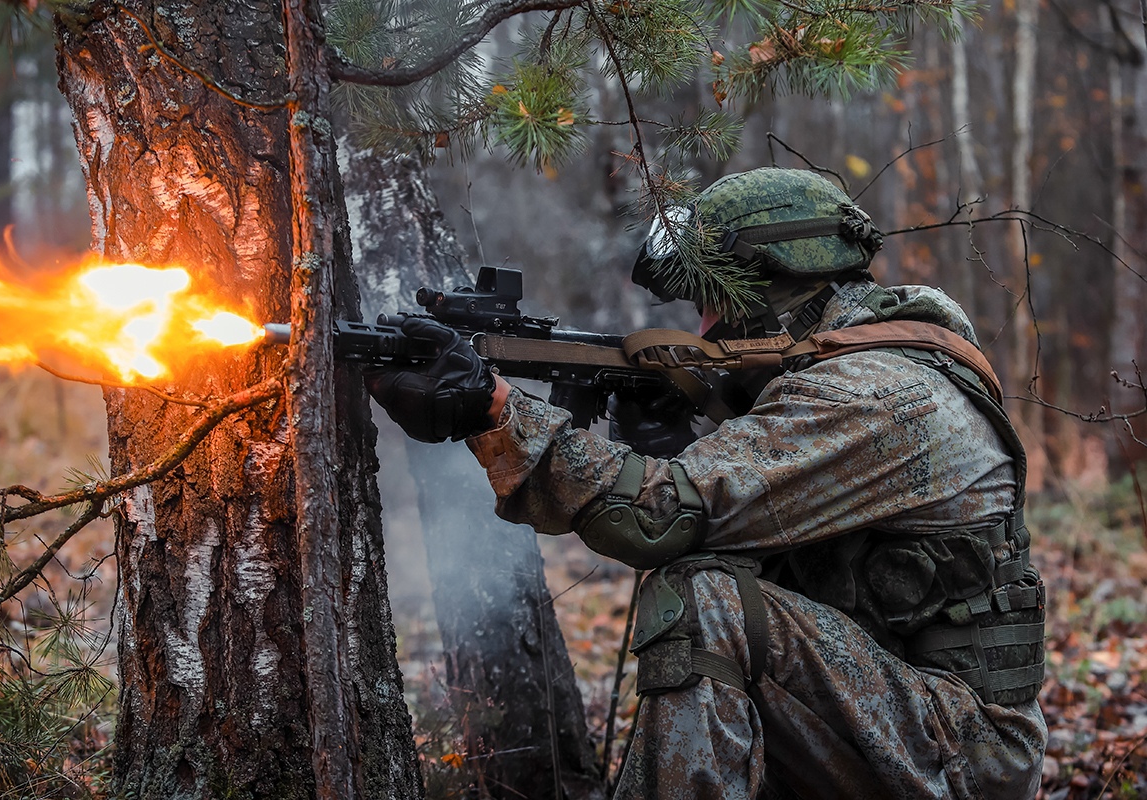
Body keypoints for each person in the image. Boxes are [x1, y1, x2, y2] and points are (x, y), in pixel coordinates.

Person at [366, 168, 1048, 799]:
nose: (699, 328)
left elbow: (657, 520)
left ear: (763, 296)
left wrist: (495, 410)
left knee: (704, 600)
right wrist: (678, 446)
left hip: (963, 754)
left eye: (708, 305)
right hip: (908, 719)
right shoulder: (873, 364)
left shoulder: (874, 393)